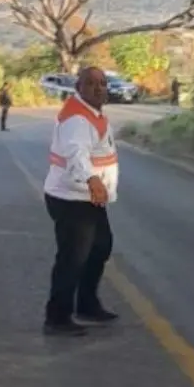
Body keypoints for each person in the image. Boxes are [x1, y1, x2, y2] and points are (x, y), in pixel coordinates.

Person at [41, 66, 119, 336]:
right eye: (91, 83)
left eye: (103, 83)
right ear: (79, 88)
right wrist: (92, 180)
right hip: (71, 197)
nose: (99, 88)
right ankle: (57, 317)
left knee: (100, 247)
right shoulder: (78, 119)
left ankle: (86, 304)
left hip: (87, 197)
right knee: (72, 258)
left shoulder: (91, 113)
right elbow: (76, 154)